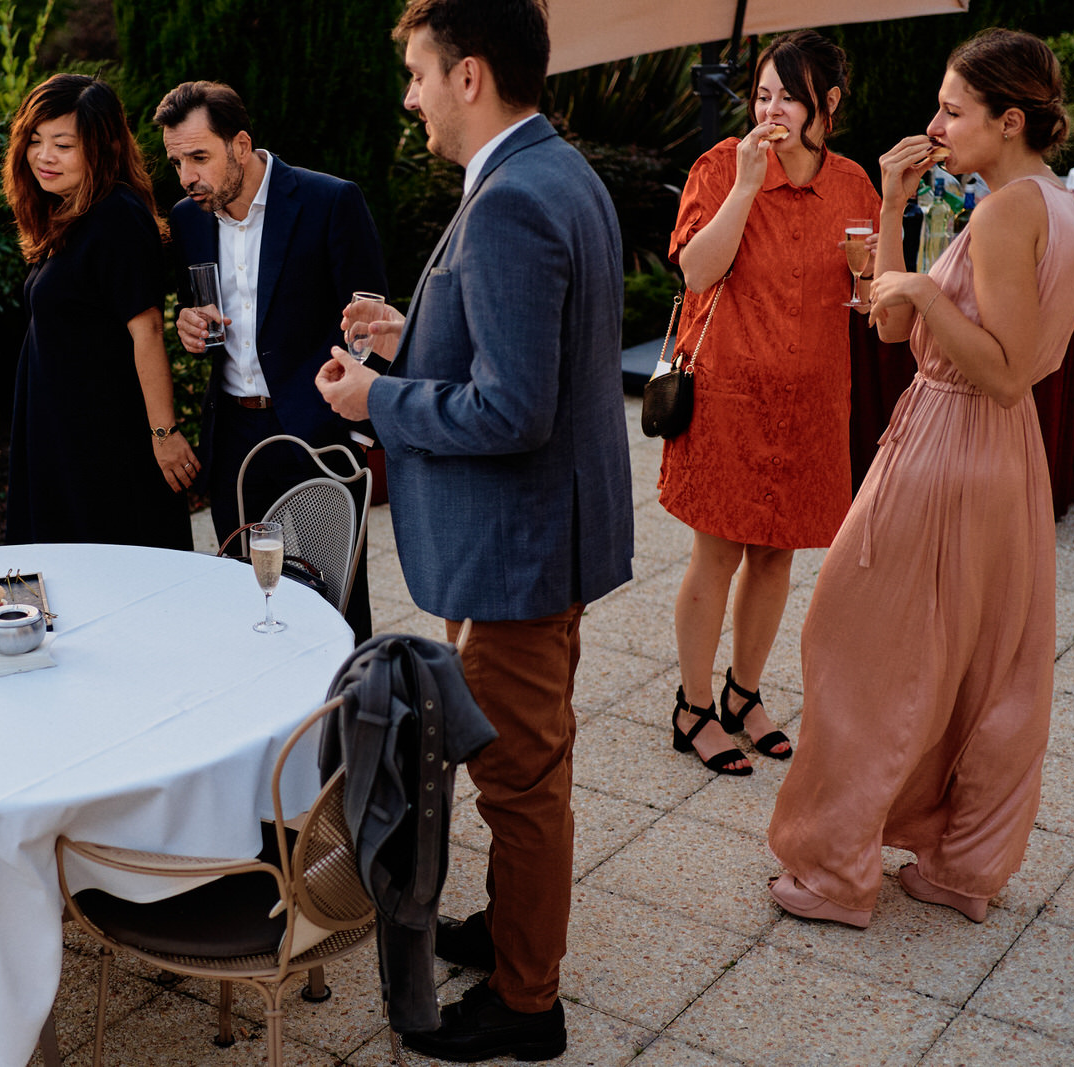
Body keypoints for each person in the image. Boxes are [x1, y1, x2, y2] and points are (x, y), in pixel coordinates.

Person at [315, 0, 632, 1058]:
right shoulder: (556, 169)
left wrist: (375, 401)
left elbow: (512, 411)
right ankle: (506, 933)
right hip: (542, 537)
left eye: (415, 71)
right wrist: (415, 337)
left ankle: (526, 1001)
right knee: (522, 763)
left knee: (520, 782)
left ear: (469, 74)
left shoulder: (509, 200)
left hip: (518, 552)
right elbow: (522, 352)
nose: (407, 94)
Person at [768, 28, 1074, 928]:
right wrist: (900, 206)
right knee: (987, 667)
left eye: (953, 109)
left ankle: (835, 873)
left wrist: (925, 295)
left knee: (858, 647)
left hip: (954, 441)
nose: (935, 122)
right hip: (1002, 454)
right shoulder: (1047, 201)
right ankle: (959, 863)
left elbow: (1002, 366)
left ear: (1010, 118)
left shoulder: (1004, 211)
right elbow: (888, 327)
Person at [660, 30, 879, 776]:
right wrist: (748, 184)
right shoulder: (721, 166)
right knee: (717, 550)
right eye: (762, 93)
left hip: (812, 400)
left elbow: (867, 293)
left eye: (790, 95)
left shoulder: (853, 184)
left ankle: (743, 693)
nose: (772, 109)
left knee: (777, 555)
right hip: (729, 396)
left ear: (829, 104)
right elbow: (696, 271)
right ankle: (693, 707)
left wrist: (868, 279)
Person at [155, 80, 387, 639]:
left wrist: (359, 433)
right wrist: (189, 324)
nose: (187, 177)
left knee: (335, 598)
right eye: (176, 161)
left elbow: (374, 325)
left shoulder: (330, 200)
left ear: (240, 144)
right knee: (245, 592)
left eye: (199, 157)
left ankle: (346, 715)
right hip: (233, 435)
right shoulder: (189, 219)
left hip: (319, 433)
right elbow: (202, 309)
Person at [2, 74, 196, 550]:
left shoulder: (116, 215)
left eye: (63, 144)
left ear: (102, 145)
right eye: (35, 140)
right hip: (62, 436)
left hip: (102, 444)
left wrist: (164, 432)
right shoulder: (71, 213)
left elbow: (147, 329)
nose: (44, 156)